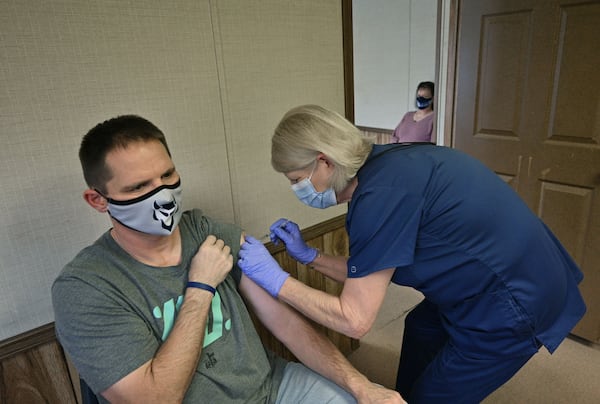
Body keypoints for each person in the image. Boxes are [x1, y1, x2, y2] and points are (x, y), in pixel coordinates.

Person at [237, 105, 587, 403]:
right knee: (421, 326)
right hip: (502, 270)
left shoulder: (380, 197)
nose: (297, 188)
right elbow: (367, 273)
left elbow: (354, 318)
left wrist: (276, 279)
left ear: (324, 162)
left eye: (297, 178)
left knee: (436, 396)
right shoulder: (388, 161)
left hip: (515, 298)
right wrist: (310, 256)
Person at [51, 115, 403, 404]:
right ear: (98, 201)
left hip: (272, 387)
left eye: (168, 176)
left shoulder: (203, 228)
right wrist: (200, 288)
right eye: (139, 187)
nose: (162, 194)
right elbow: (154, 399)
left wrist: (361, 386)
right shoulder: (86, 287)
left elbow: (284, 323)